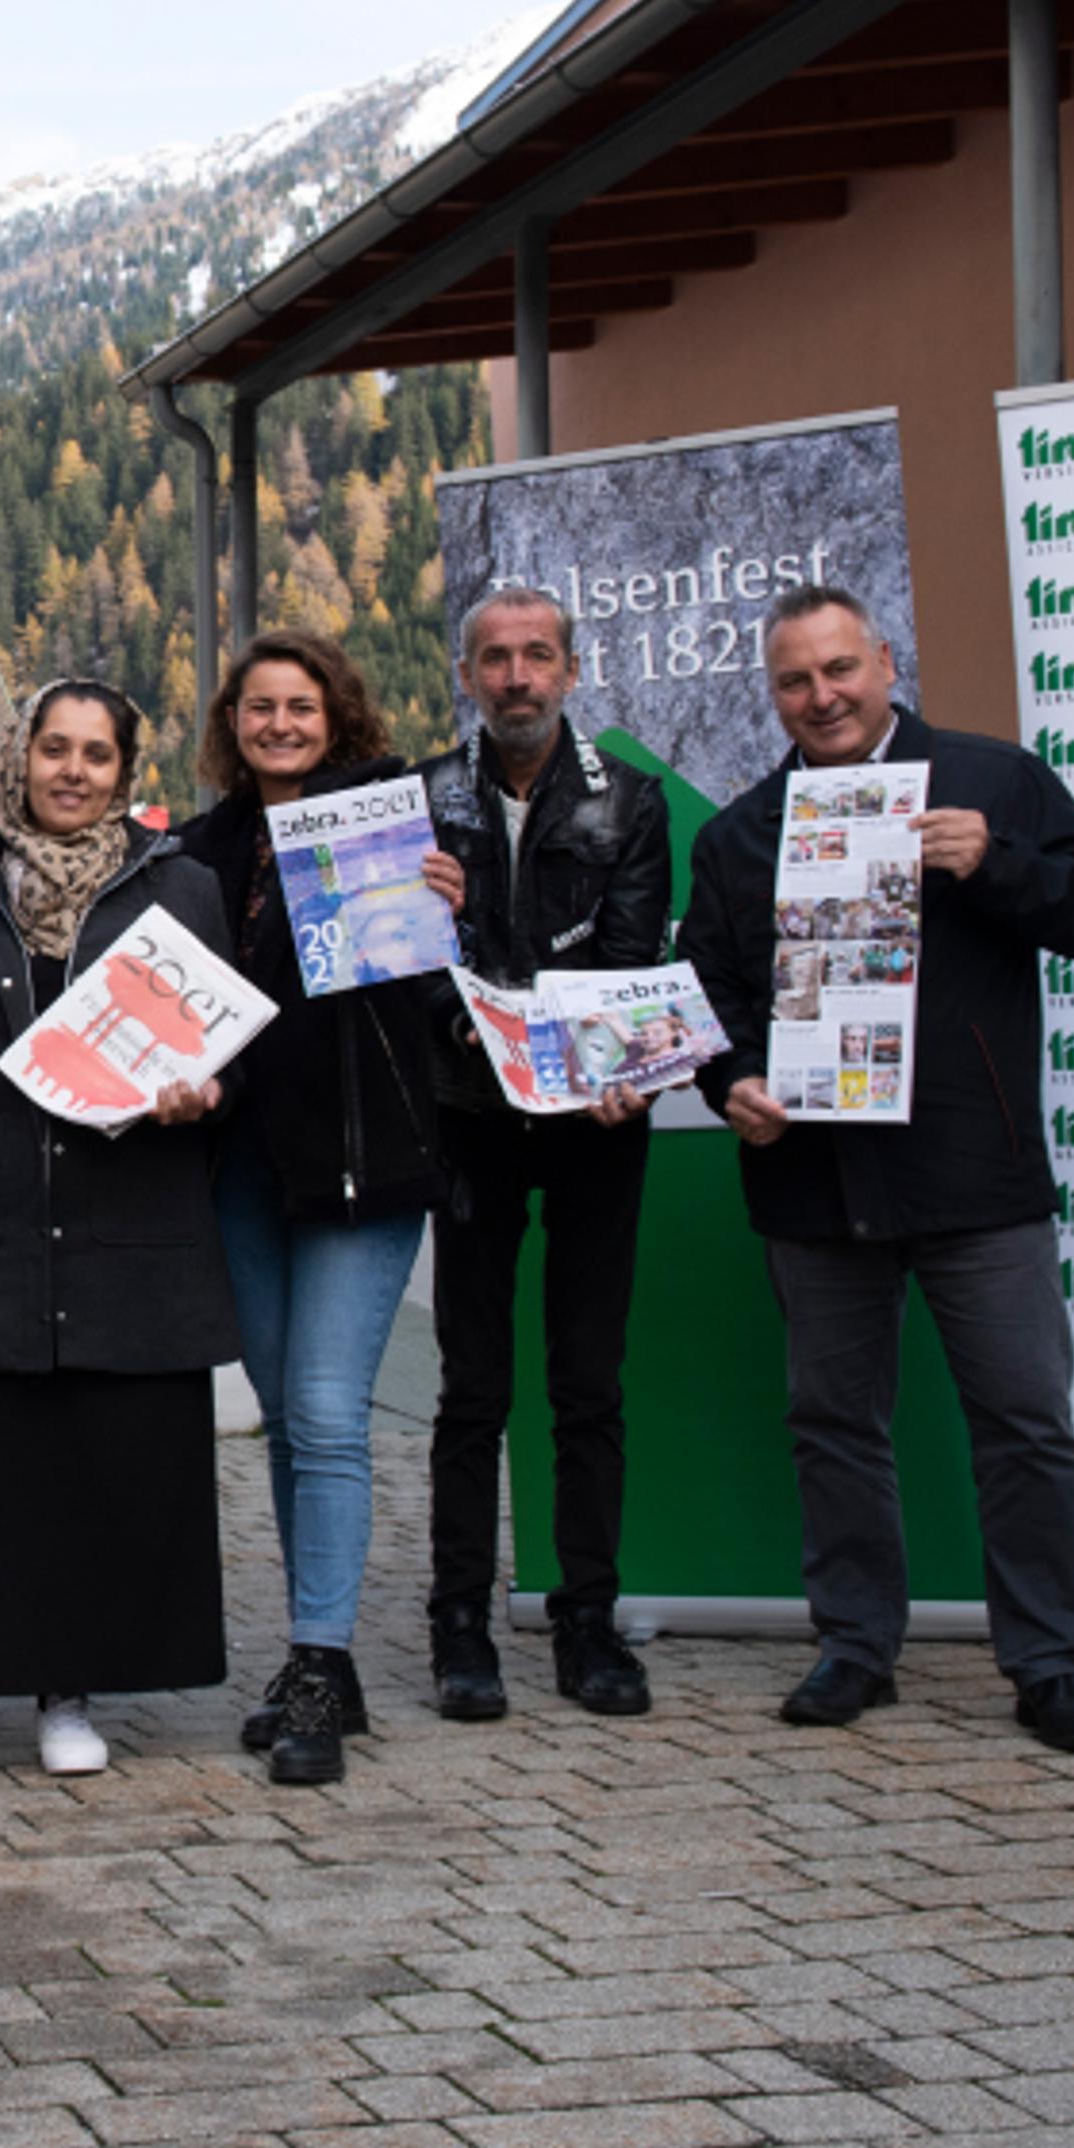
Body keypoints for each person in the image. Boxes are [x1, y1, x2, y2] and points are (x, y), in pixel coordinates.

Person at [677, 586, 1074, 1755]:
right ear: (771, 693)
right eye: (795, 680)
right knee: (833, 1421)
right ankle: (854, 1646)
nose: (822, 696)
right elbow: (708, 996)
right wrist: (728, 1078)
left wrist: (999, 863)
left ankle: (1048, 1661)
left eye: (840, 669)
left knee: (1025, 1419)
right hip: (816, 1179)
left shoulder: (993, 781)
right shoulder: (739, 833)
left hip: (975, 1171)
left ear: (885, 661)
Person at [0, 681, 235, 1781]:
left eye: (97, 754)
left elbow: (220, 1046)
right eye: (53, 749)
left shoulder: (182, 888)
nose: (73, 771)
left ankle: (68, 1690)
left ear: (128, 770)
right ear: (18, 755)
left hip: (122, 1213)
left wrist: (202, 1090)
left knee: (92, 1463)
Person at [178, 630, 464, 1790]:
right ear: (232, 723)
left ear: (336, 716)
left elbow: (442, 989)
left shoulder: (389, 825)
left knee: (331, 1410)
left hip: (365, 1159)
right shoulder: (202, 847)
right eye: (260, 707)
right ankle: (323, 1655)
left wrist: (452, 901)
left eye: (301, 706)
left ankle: (315, 1659)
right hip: (244, 1163)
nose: (280, 724)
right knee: (289, 1421)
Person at [413, 586, 673, 1724]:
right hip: (467, 1118)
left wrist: (613, 1070)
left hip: (591, 1127)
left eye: (537, 657)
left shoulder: (635, 803)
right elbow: (408, 976)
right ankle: (460, 1624)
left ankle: (588, 1620)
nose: (516, 677)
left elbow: (624, 972)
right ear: (466, 675)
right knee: (471, 1387)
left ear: (570, 670)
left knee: (586, 1381)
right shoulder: (418, 802)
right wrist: (438, 932)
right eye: (494, 659)